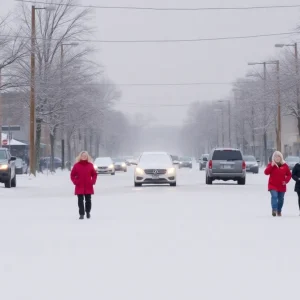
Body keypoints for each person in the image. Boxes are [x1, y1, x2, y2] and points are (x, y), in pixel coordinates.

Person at [70, 151, 97, 219]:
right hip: (79, 186)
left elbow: (94, 174)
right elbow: (72, 175)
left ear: (87, 157)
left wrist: (92, 181)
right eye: (82, 156)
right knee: (80, 200)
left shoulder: (90, 165)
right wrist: (75, 181)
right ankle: (81, 214)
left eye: (85, 156)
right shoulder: (76, 165)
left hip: (88, 185)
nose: (84, 157)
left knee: (88, 200)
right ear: (80, 156)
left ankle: (88, 212)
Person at [264, 151, 292, 217]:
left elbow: (289, 175)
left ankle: (279, 211)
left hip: (282, 186)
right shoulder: (271, 164)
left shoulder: (285, 166)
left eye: (278, 156)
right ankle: (274, 210)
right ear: (274, 157)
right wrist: (271, 166)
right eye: (276, 156)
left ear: (281, 157)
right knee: (274, 196)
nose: (277, 158)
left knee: (281, 199)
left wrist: (286, 181)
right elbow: (266, 172)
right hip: (272, 185)